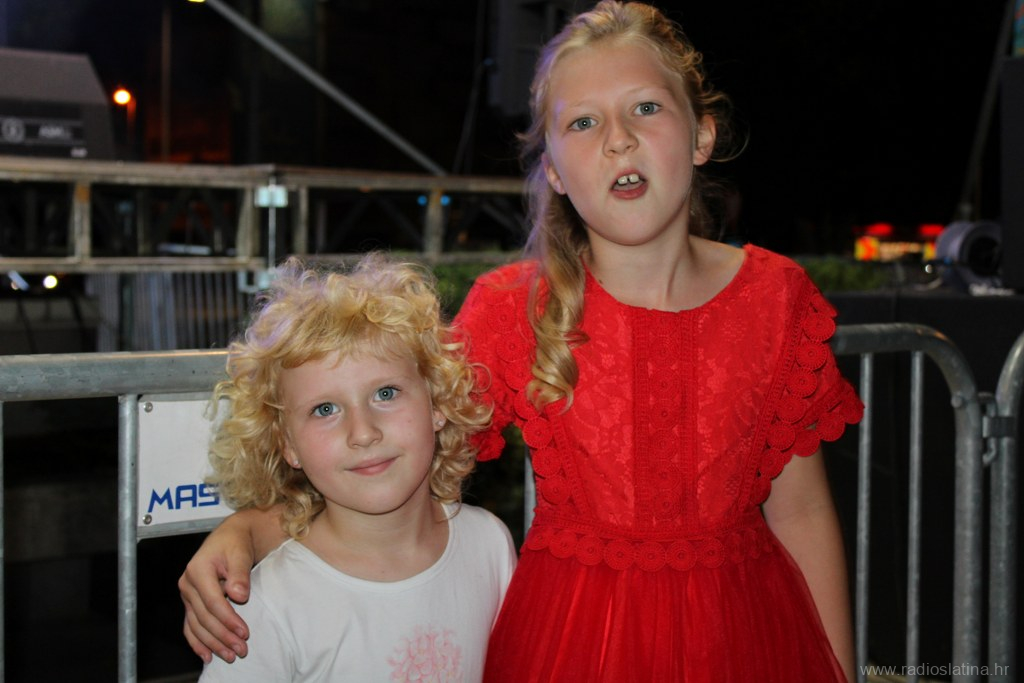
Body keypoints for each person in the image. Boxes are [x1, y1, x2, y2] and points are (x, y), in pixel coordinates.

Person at [179, 2, 863, 681]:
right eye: (584, 122)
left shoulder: (778, 297)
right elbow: (387, 459)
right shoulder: (513, 312)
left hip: (745, 637)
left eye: (646, 108)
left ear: (701, 135)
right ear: (556, 171)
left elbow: (802, 511)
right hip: (574, 647)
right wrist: (249, 531)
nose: (619, 140)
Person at [195, 255, 517, 682]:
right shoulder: (266, 606)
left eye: (386, 393)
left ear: (437, 404)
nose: (363, 433)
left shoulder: (489, 545)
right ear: (287, 444)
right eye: (325, 409)